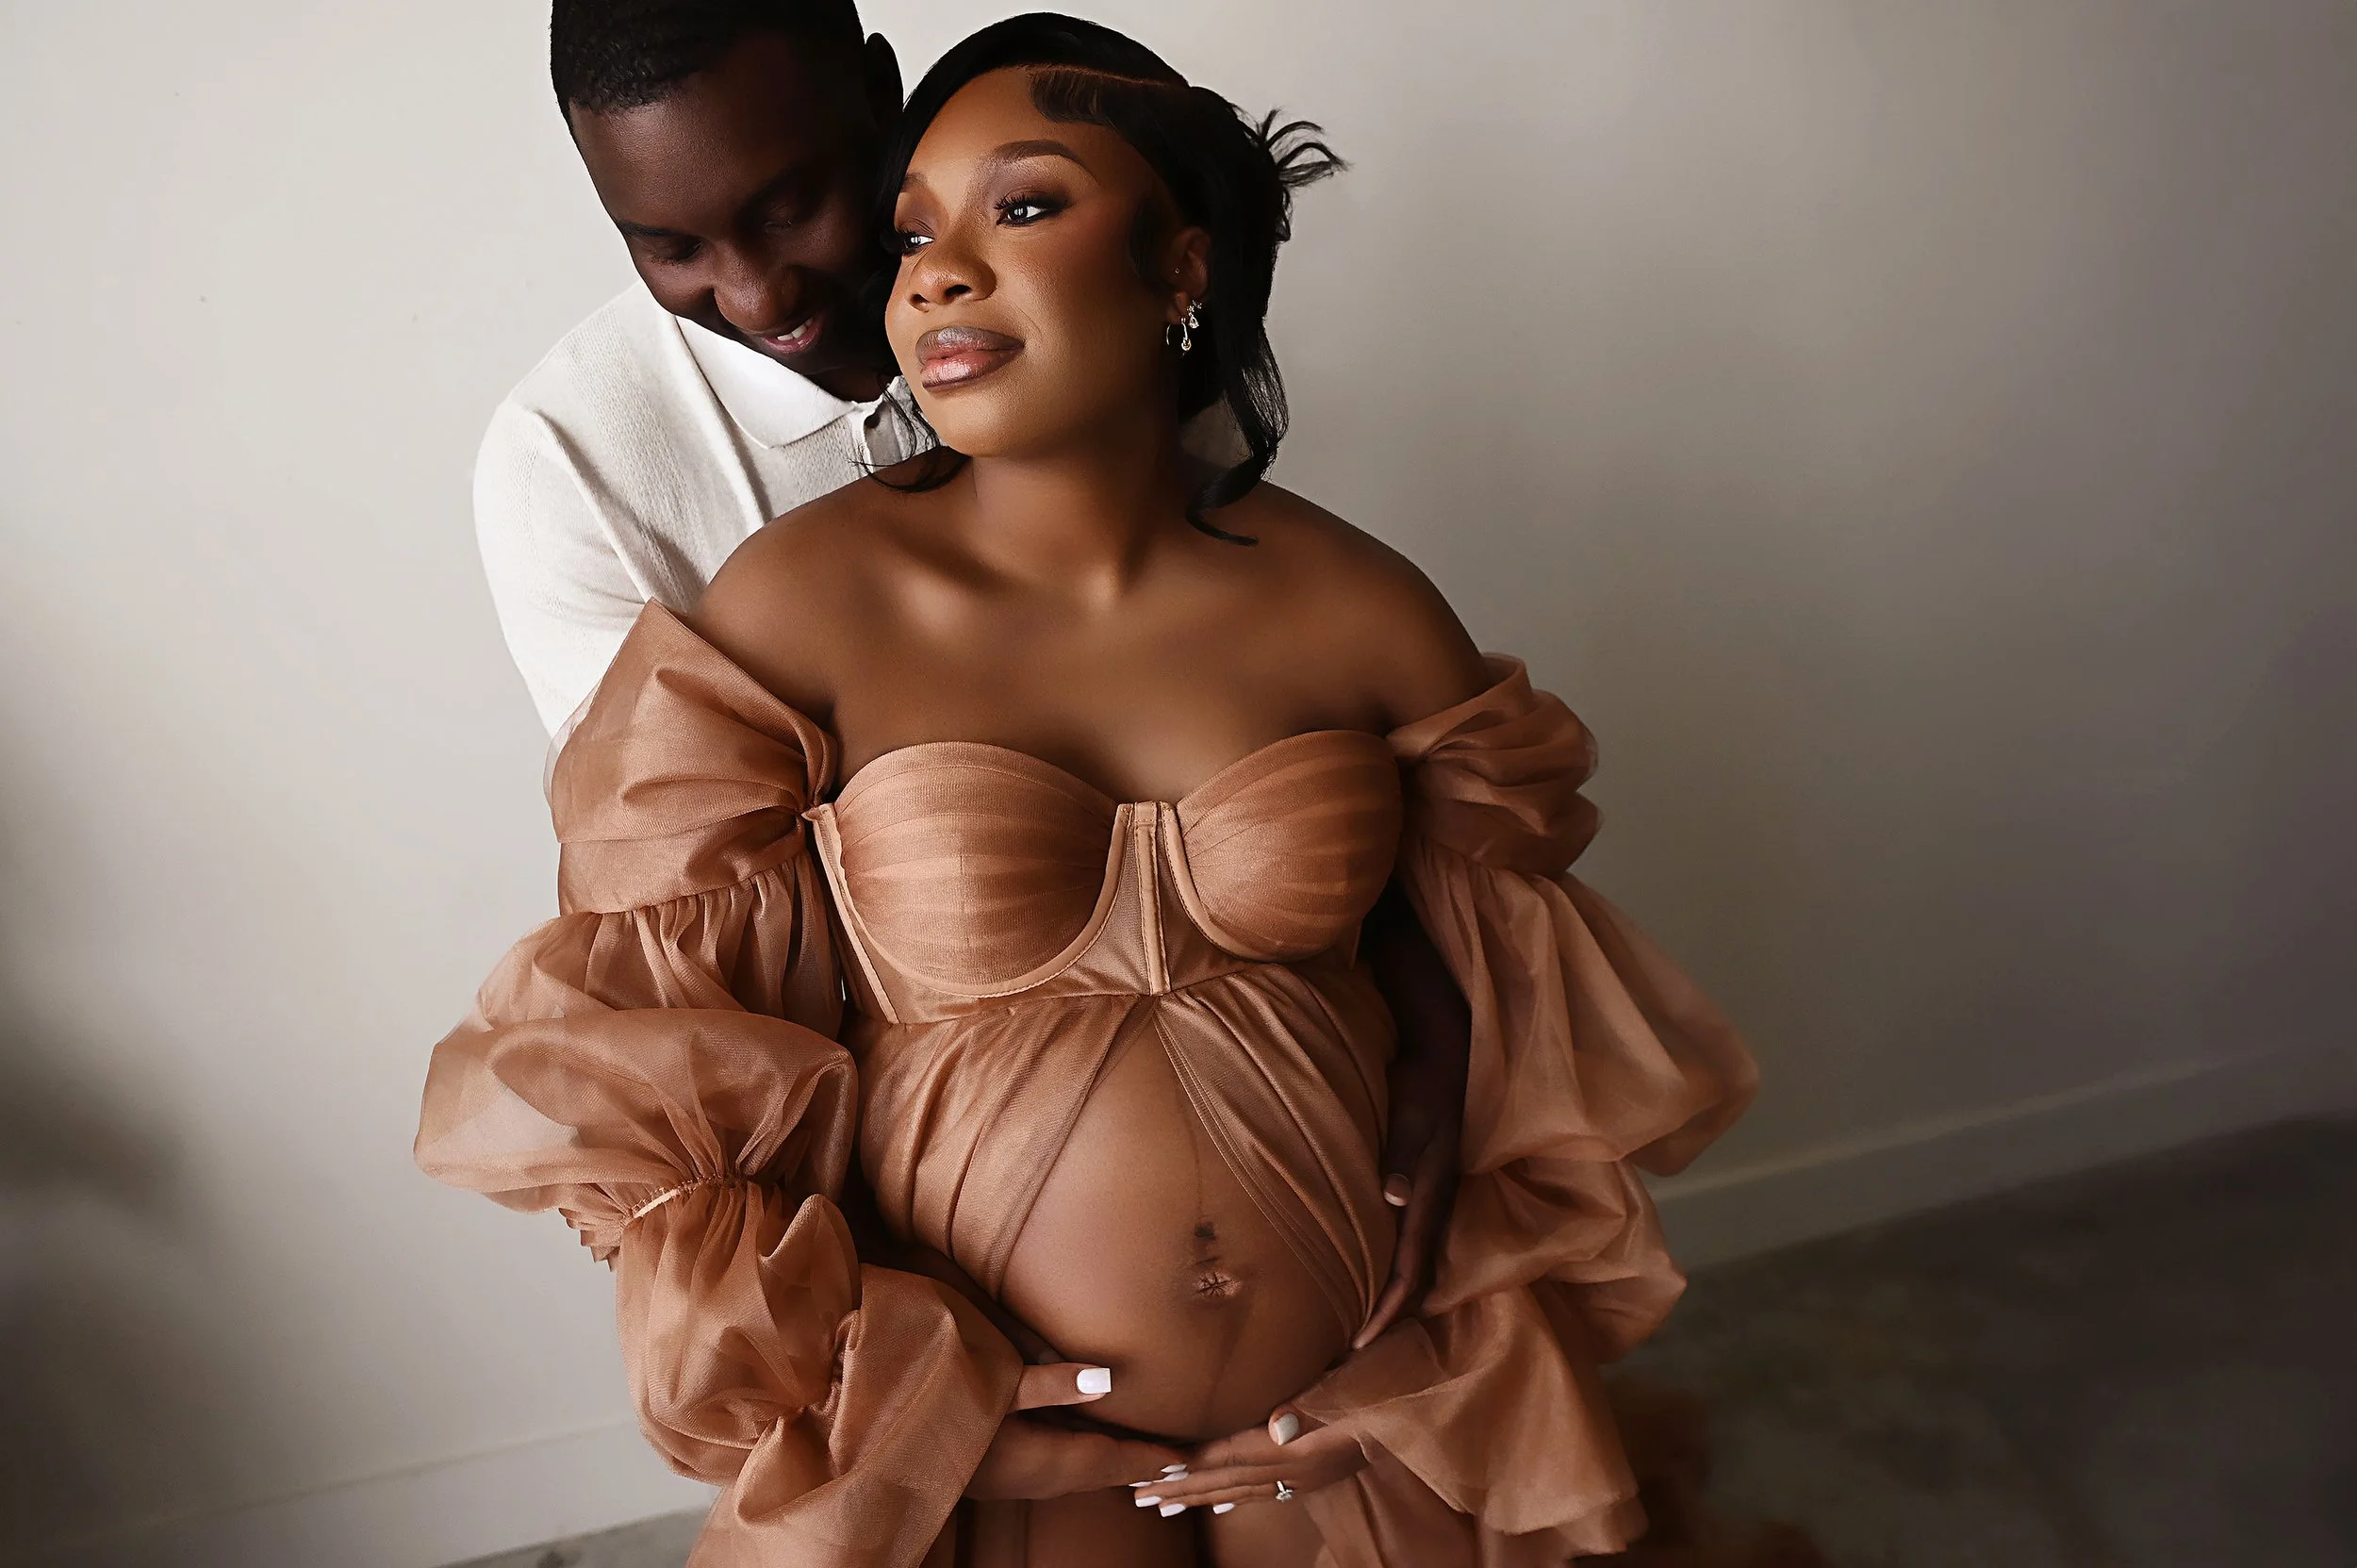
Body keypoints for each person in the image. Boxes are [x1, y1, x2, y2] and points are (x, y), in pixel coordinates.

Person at [419, 13, 1755, 1567]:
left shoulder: (1359, 603)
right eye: (916, 234)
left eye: (1020, 205)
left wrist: (1435, 1251)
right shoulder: (706, 562)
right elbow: (663, 1062)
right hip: (1003, 1414)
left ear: (1182, 268)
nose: (914, 277)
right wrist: (889, 1397)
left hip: (1345, 1418)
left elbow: (1508, 977)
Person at [479, 0, 1470, 1348]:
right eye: (671, 246)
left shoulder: (1112, 345)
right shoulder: (574, 468)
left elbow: (1293, 760)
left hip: (1342, 1294)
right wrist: (891, 1370)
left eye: (796, 207)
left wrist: (1434, 1031)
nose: (759, 296)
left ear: (877, 98)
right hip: (955, 1287)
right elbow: (681, 998)